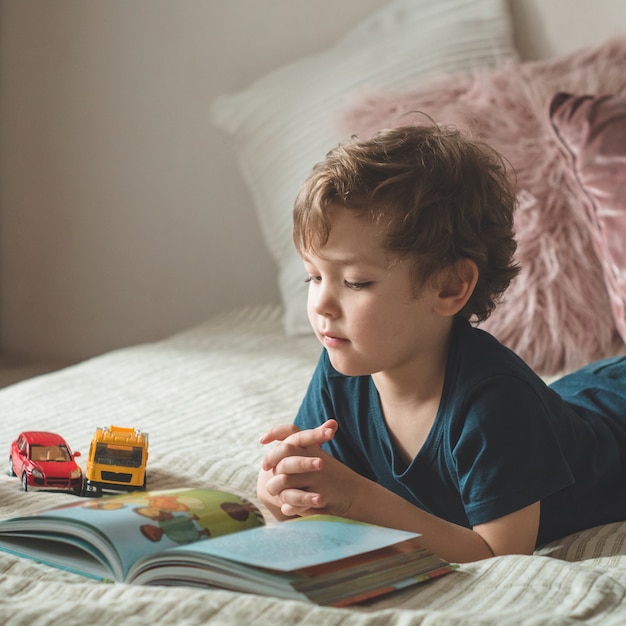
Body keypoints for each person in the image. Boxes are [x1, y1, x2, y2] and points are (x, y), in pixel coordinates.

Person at [256, 123, 626, 564]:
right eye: (314, 277)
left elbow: (499, 555)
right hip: (575, 399)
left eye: (356, 282)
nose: (322, 305)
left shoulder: (495, 400)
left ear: (449, 287)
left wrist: (356, 499)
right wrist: (282, 491)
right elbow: (318, 494)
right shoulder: (341, 367)